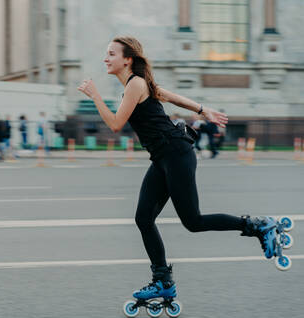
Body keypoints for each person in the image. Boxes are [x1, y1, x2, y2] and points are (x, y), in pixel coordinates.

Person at [77, 36, 282, 303]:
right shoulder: (139, 84)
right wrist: (202, 109)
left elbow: (116, 124)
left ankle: (258, 226)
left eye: (111, 53)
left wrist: (95, 96)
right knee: (143, 219)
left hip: (175, 153)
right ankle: (162, 281)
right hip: (164, 156)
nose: (106, 58)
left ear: (127, 59)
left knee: (193, 221)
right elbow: (170, 96)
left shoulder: (136, 84)